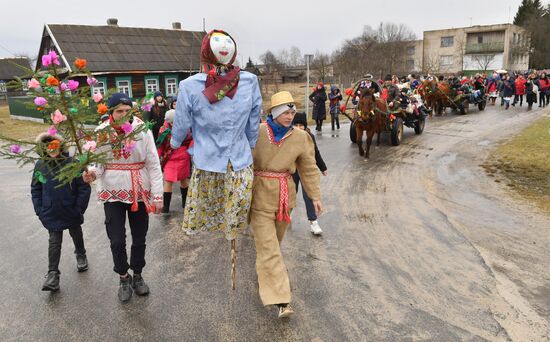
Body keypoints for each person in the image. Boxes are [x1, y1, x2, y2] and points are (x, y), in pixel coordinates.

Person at [170, 29, 261, 242]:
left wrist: (175, 143)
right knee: (227, 222)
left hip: (222, 163)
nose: (223, 46)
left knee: (225, 220)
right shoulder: (191, 86)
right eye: (218, 42)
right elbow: (254, 119)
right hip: (225, 163)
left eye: (226, 42)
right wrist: (251, 142)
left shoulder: (248, 81)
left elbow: (254, 115)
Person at [83, 93, 164, 302]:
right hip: (112, 192)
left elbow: (153, 164)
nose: (124, 115)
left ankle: (137, 275)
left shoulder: (142, 130)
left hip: (139, 190)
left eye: (127, 111)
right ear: (111, 112)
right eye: (119, 111)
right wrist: (92, 173)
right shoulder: (102, 132)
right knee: (116, 240)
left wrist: (157, 195)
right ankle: (123, 276)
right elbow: (99, 164)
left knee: (139, 237)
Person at [250, 91, 323, 319]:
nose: (290, 116)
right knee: (270, 250)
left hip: (284, 199)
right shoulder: (257, 132)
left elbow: (309, 168)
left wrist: (315, 196)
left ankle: (267, 272)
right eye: (285, 112)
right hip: (260, 196)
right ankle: (281, 300)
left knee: (273, 246)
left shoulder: (301, 137)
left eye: (292, 112)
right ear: (274, 113)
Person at [31, 133, 91, 292]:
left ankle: (80, 253)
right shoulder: (40, 165)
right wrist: (40, 210)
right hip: (51, 211)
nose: (51, 149)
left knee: (76, 232)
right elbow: (36, 189)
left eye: (54, 145)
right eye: (47, 147)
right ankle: (53, 274)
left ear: (61, 145)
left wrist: (79, 208)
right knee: (54, 241)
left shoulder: (73, 163)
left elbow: (84, 187)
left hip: (71, 209)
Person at [290, 112, 327, 235]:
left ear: (305, 126)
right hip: (292, 170)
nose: (299, 128)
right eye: (296, 125)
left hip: (306, 171)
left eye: (302, 125)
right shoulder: (288, 136)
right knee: (290, 193)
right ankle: (286, 215)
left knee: (309, 195)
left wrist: (322, 167)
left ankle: (313, 222)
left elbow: (315, 153)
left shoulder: (310, 137)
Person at [156, 109, 192, 213]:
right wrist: (158, 156)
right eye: (171, 122)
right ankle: (166, 206)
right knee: (168, 180)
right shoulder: (163, 130)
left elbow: (190, 140)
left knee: (184, 180)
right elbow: (160, 144)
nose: (173, 124)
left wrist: (189, 151)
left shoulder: (185, 128)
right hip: (169, 158)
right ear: (167, 121)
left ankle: (185, 203)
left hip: (183, 157)